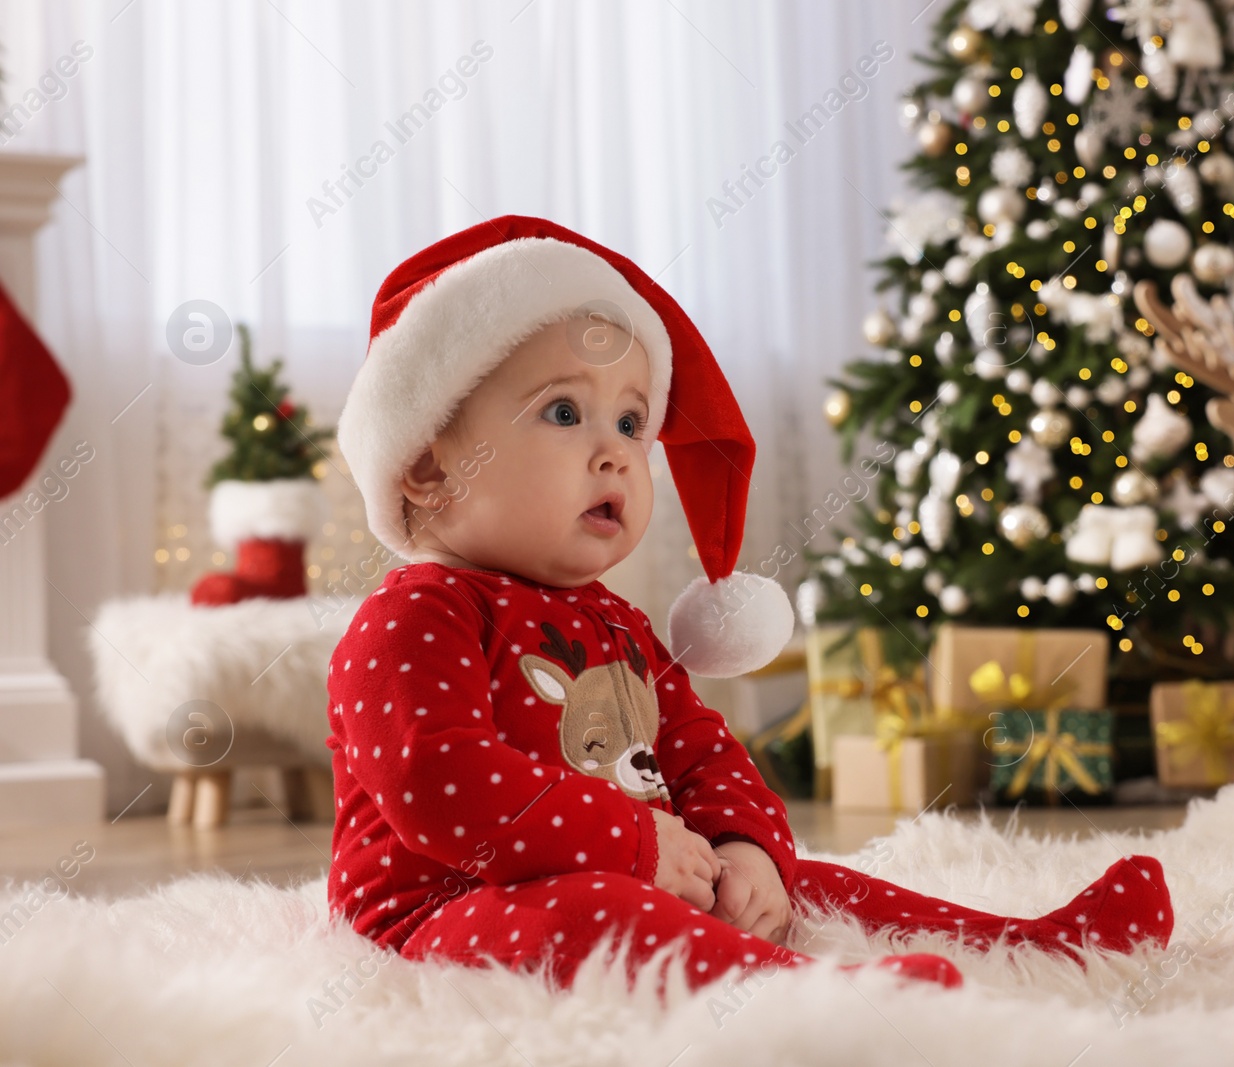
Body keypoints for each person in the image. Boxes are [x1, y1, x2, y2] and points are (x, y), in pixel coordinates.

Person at [325, 216, 1173, 996]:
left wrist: (745, 847)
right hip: (444, 910)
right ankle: (807, 990)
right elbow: (437, 782)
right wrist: (636, 842)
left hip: (641, 870)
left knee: (806, 884)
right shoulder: (417, 614)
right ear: (430, 469)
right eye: (562, 410)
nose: (617, 454)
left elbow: (699, 752)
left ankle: (1034, 947)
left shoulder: (618, 623)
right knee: (588, 915)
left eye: (631, 423)